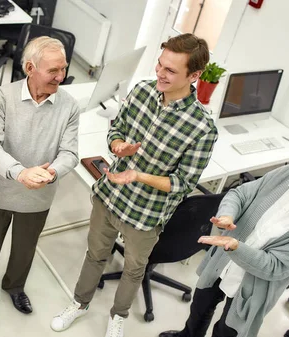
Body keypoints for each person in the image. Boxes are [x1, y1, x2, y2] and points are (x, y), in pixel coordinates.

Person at [51, 33, 218, 337]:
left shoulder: (202, 128)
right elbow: (117, 128)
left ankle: (118, 317)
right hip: (110, 196)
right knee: (95, 255)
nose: (159, 73)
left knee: (132, 269)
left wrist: (138, 175)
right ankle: (79, 304)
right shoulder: (141, 91)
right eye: (159, 64)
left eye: (170, 71)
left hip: (146, 213)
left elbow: (182, 184)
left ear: (194, 76)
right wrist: (117, 146)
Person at [159, 147, 289, 337]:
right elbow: (240, 194)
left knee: (228, 331)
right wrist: (228, 213)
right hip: (223, 264)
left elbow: (275, 267)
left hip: (254, 285)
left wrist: (234, 246)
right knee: (199, 308)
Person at [0, 36, 79, 317]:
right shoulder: (3, 97)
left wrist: (50, 174)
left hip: (39, 194)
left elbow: (70, 153)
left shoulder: (69, 106)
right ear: (30, 68)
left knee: (25, 247)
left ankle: (15, 286)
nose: (60, 77)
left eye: (63, 69)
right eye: (53, 70)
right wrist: (20, 173)